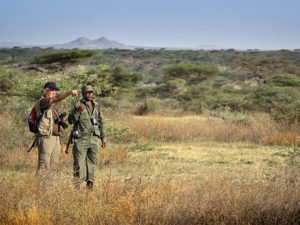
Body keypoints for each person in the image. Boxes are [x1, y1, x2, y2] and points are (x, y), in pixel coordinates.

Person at [35, 81, 78, 176]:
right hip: (46, 137)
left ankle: (50, 186)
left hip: (55, 137)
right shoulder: (43, 102)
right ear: (45, 91)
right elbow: (57, 98)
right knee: (44, 164)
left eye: (55, 91)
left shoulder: (52, 106)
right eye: (52, 90)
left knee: (54, 164)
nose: (54, 92)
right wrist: (69, 92)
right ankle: (39, 187)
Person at [68, 85, 106, 190]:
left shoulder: (96, 106)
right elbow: (70, 121)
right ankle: (77, 188)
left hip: (94, 139)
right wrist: (77, 111)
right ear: (83, 94)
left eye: (91, 92)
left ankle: (90, 187)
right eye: (87, 92)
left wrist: (103, 138)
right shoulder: (78, 104)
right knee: (79, 165)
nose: (90, 94)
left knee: (92, 164)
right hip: (81, 139)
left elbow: (101, 122)